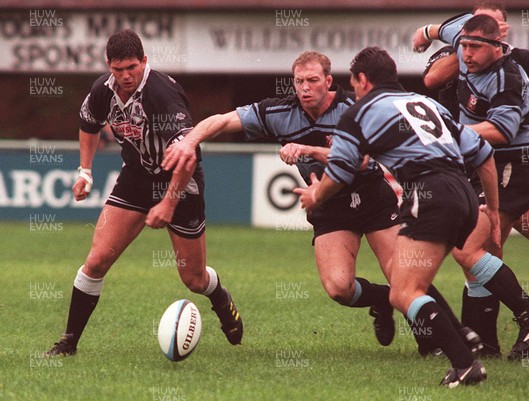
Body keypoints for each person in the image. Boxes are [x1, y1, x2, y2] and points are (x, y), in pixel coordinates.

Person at [162, 51, 481, 352]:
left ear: (329, 81)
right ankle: (382, 300)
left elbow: (361, 160)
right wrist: (189, 142)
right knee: (338, 288)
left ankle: (449, 337)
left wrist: (307, 149)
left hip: (372, 196)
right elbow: (220, 120)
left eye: (312, 80)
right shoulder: (279, 112)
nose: (304, 88)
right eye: (299, 81)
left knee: (403, 273)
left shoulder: (353, 108)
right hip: (330, 207)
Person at [295, 46, 529, 386]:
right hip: (462, 192)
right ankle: (503, 326)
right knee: (425, 276)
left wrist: (316, 194)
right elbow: (483, 153)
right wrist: (491, 208)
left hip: (429, 193)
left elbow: (342, 170)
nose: (353, 89)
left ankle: (466, 364)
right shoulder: (426, 103)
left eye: (353, 82)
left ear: (361, 80)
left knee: (403, 292)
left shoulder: (359, 112)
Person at [414, 5, 529, 358]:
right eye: (463, 45)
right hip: (483, 166)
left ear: (500, 40)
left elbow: (502, 131)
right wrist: (425, 32)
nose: (466, 53)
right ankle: (490, 343)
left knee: (469, 251)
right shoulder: (464, 41)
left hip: (510, 169)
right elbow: (434, 70)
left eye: (475, 46)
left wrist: (443, 133)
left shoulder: (509, 77)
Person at [45, 29, 243, 356]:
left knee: (193, 278)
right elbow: (89, 123)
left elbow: (188, 155)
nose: (125, 76)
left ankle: (219, 297)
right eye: (118, 69)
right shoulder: (101, 91)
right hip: (136, 177)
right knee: (96, 261)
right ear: (108, 64)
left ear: (145, 61)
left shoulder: (163, 94)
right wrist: (85, 171)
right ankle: (68, 343)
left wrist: (168, 202)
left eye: (132, 68)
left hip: (180, 179)